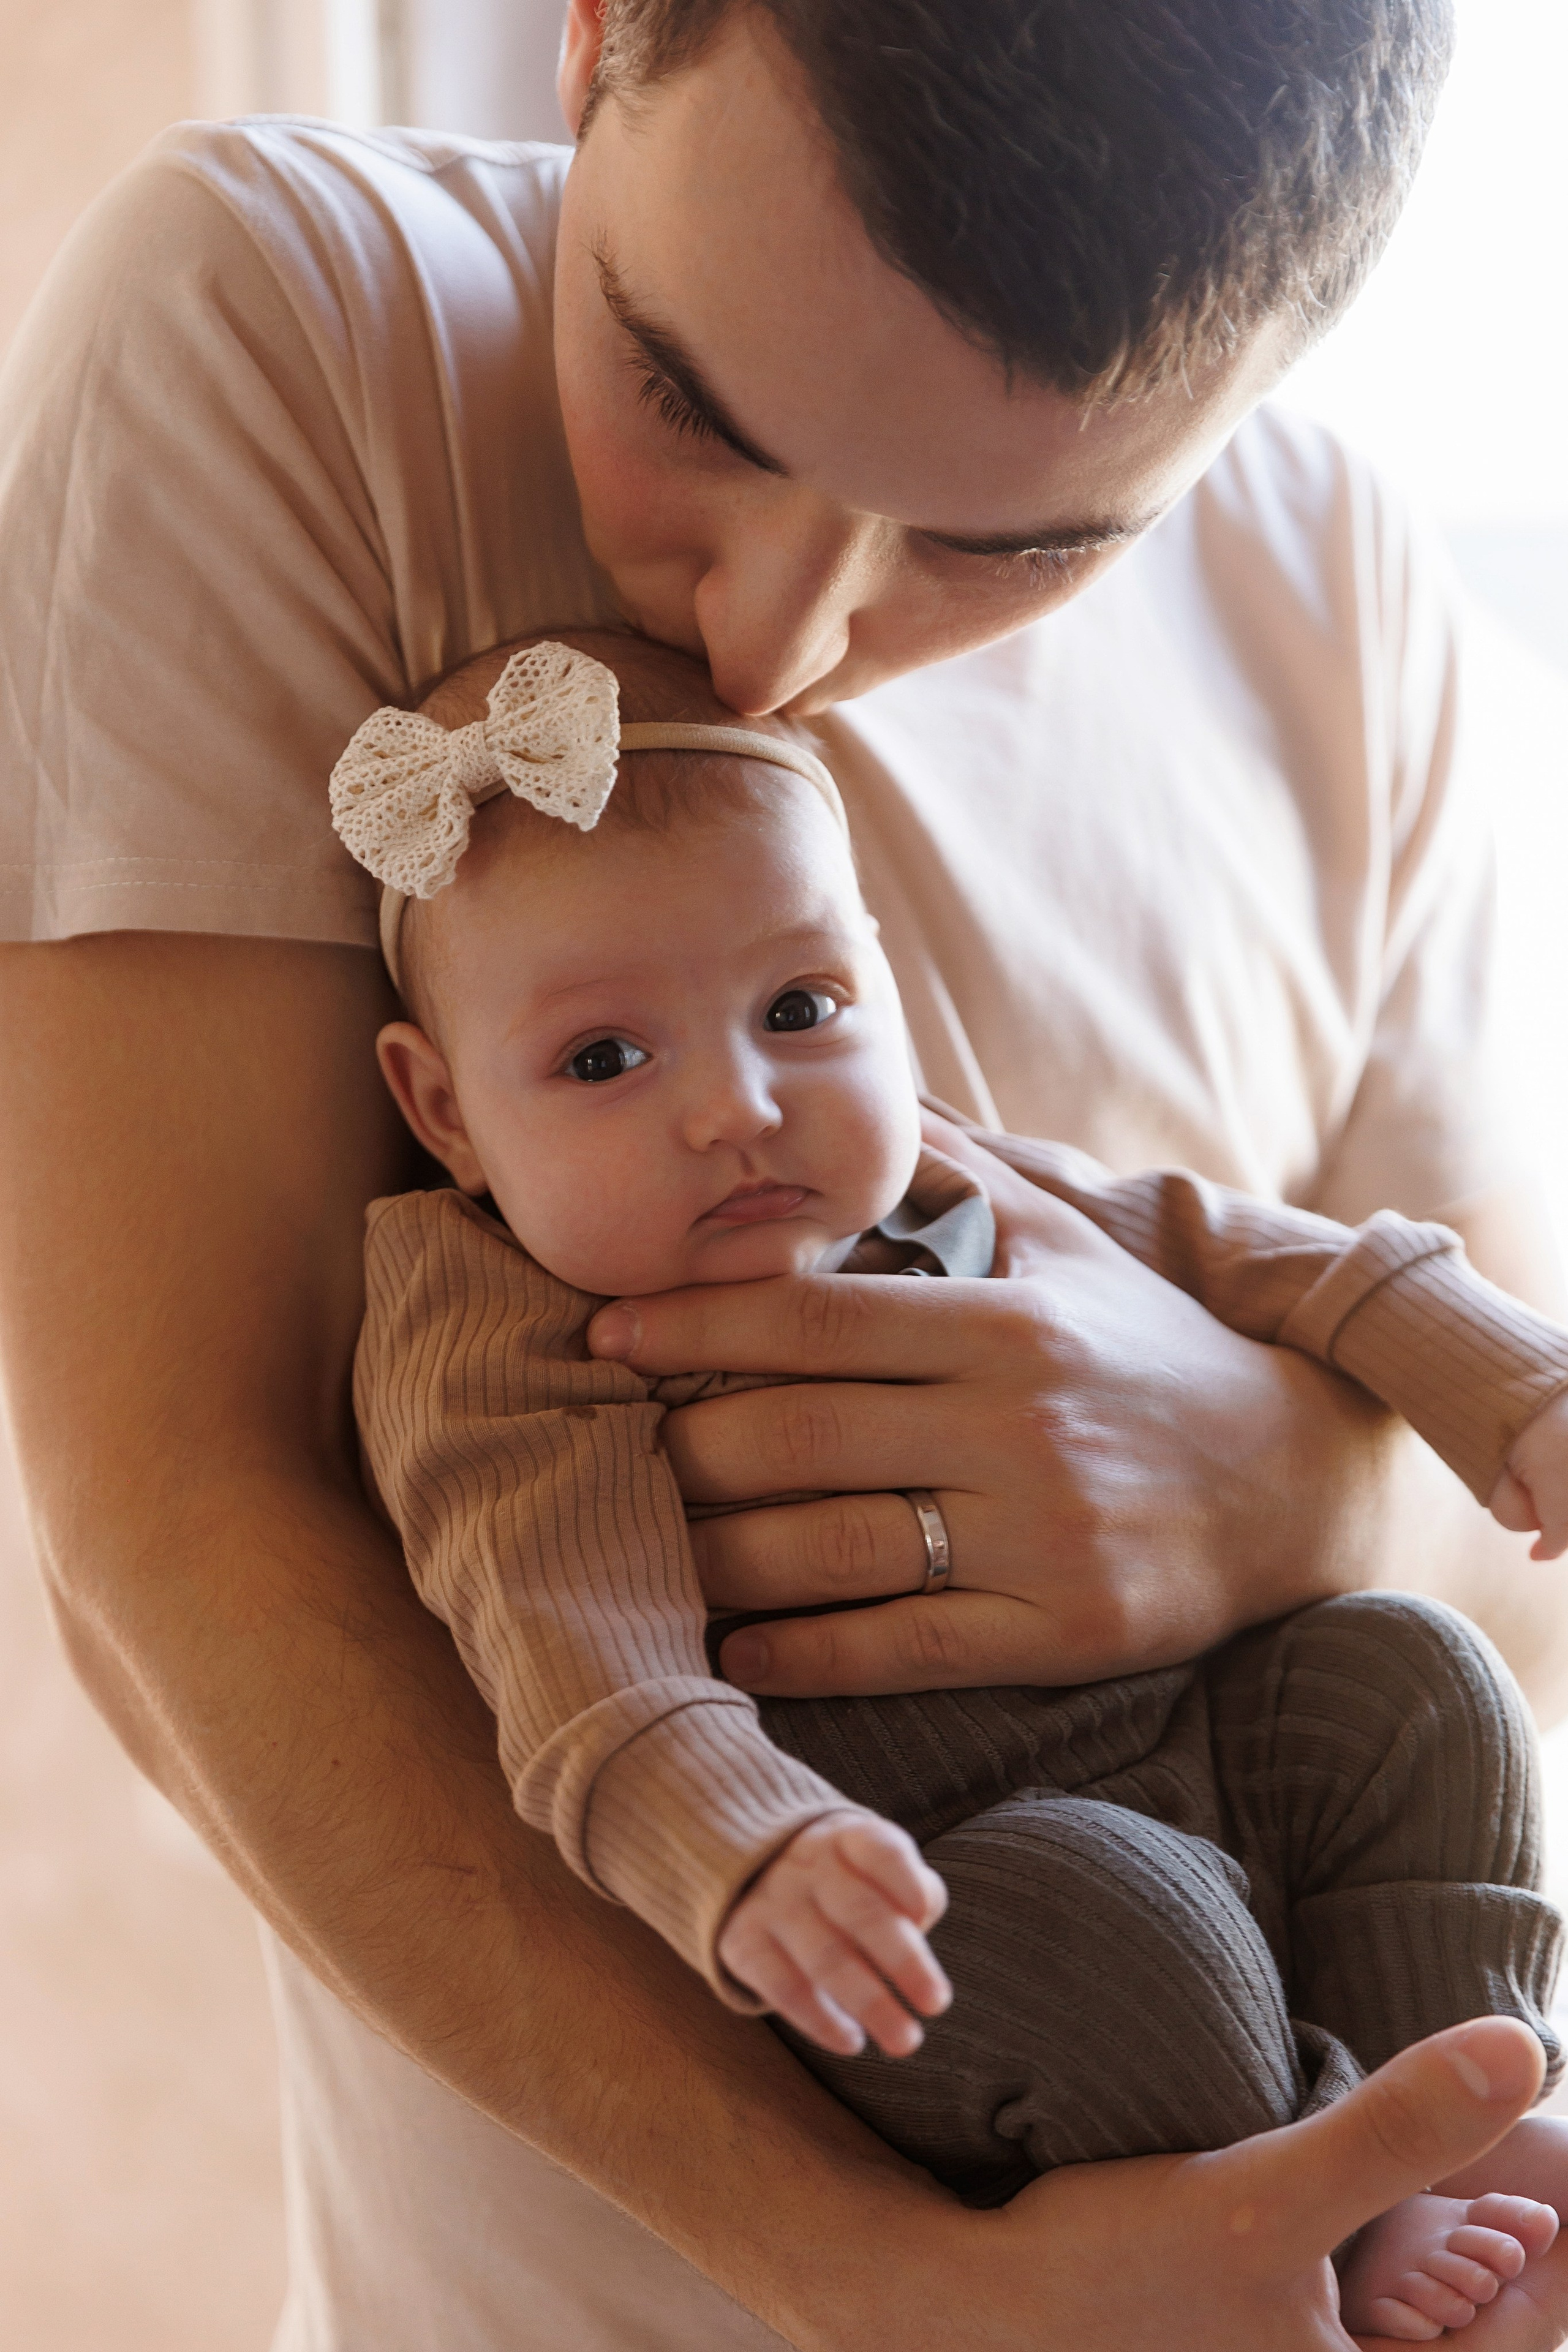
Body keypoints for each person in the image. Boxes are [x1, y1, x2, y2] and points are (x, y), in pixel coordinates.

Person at [2, 0, 1566, 2345]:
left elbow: (1505, 1539)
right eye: (690, 406)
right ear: (603, 26)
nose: (771, 639)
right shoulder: (287, 325)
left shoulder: (1346, 602)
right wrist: (889, 2286)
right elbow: (178, 1524)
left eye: (1017, 539)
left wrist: (1266, 1493)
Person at [347, 626, 1568, 2342]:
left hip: (1200, 1752)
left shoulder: (941, 1168)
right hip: (942, 1891)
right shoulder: (514, 1330)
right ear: (446, 1112)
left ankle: (1473, 2109)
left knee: (1408, 1680)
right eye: (607, 1061)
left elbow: (1258, 1259)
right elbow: (578, 1647)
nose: (743, 1107)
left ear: (879, 990)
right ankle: (1320, 2194)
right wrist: (752, 1853)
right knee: (1116, 1928)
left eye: (800, 1009)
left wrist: (1510, 1382)